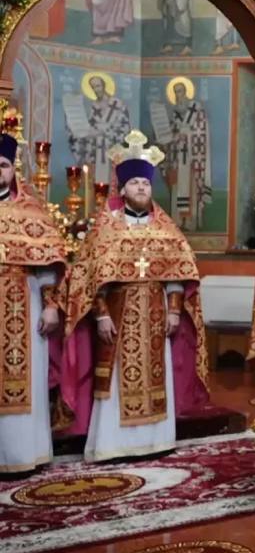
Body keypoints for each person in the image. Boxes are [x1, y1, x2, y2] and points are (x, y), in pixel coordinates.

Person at [61, 131, 209, 461]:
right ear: (123, 189)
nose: (141, 188)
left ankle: (156, 441)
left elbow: (178, 274)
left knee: (157, 375)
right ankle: (112, 444)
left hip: (156, 314)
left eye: (145, 183)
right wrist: (100, 314)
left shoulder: (166, 229)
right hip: (118, 314)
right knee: (116, 379)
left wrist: (174, 310)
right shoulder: (106, 229)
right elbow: (89, 277)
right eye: (134, 183)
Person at [0, 123, 67, 474]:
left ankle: (23, 454)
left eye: (2, 165)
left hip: (23, 305)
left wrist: (52, 306)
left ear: (13, 170)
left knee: (25, 380)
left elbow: (48, 265)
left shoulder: (32, 212)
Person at [164, 79, 213, 231]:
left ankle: (190, 221)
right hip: (178, 158)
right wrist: (171, 137)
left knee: (191, 188)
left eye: (180, 91)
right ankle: (178, 221)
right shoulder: (175, 113)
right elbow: (171, 133)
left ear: (186, 92)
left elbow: (202, 130)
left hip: (193, 158)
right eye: (175, 92)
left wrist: (187, 134)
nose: (178, 95)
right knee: (178, 188)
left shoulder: (196, 109)